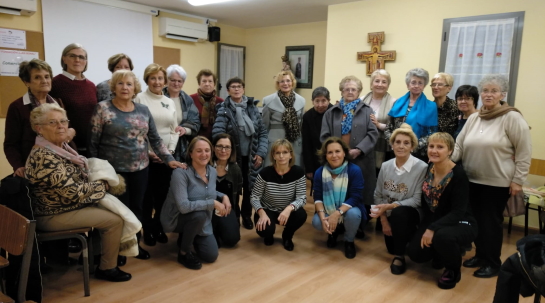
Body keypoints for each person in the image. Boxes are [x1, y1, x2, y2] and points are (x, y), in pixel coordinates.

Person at [25, 103, 131, 282]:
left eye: (63, 121)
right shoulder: (44, 156)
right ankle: (107, 268)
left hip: (63, 207)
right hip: (51, 215)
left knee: (108, 209)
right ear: (39, 128)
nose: (60, 126)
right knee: (114, 220)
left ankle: (97, 257)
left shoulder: (59, 149)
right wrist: (103, 186)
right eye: (52, 122)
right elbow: (73, 192)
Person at [89, 70, 185, 260]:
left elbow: (155, 140)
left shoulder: (143, 110)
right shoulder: (103, 108)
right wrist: (96, 173)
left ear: (135, 88)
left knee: (137, 209)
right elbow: (93, 143)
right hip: (114, 172)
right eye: (121, 84)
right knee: (118, 212)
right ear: (114, 87)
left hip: (140, 169)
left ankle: (134, 246)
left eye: (129, 84)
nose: (125, 87)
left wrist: (169, 159)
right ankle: (117, 250)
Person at [452, 74, 531, 278]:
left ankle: (493, 262)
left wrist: (518, 181)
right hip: (471, 179)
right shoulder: (475, 117)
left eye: (493, 91)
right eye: (485, 90)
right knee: (476, 221)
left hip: (497, 182)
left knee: (491, 224)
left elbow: (524, 151)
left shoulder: (512, 117)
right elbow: (459, 144)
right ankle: (480, 255)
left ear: (502, 94)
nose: (489, 94)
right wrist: (447, 165)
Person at [406, 132, 478, 289]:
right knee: (416, 254)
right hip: (437, 219)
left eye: (440, 147)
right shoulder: (429, 168)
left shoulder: (458, 174)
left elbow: (458, 212)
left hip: (461, 221)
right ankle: (440, 253)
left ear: (450, 151)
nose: (434, 150)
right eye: (431, 146)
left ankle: (453, 270)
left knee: (443, 237)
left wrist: (432, 228)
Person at [161, 136, 230, 270]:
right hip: (176, 218)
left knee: (211, 256)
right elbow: (183, 207)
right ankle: (184, 253)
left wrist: (224, 196)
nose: (204, 154)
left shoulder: (212, 171)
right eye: (199, 151)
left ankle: (188, 236)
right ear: (190, 153)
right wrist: (213, 203)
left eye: (207, 150)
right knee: (199, 216)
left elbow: (207, 193)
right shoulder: (180, 173)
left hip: (200, 218)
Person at [370, 123, 428, 274]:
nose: (401, 146)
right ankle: (402, 242)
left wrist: (389, 207)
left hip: (410, 214)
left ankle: (399, 256)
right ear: (392, 145)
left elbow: (416, 200)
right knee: (390, 246)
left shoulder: (421, 167)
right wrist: (383, 221)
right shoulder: (385, 165)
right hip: (388, 214)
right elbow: (378, 195)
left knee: (399, 213)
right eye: (397, 142)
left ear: (412, 147)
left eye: (406, 143)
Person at [212, 77, 268, 230]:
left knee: (250, 188)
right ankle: (234, 215)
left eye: (239, 86)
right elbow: (218, 133)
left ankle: (246, 215)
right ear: (228, 91)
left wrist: (261, 153)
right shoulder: (223, 109)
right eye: (233, 87)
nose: (236, 89)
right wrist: (227, 154)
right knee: (234, 187)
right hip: (232, 158)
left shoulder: (252, 108)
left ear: (243, 89)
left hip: (252, 157)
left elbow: (262, 132)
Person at [4, 59, 74, 178]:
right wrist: (18, 166)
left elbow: (64, 130)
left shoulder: (58, 103)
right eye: (37, 77)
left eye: (47, 76)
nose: (44, 81)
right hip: (35, 167)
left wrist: (72, 132)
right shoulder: (17, 107)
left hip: (62, 163)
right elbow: (11, 144)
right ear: (27, 82)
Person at [134, 63, 178, 247]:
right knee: (147, 196)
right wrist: (151, 153)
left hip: (166, 158)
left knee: (162, 195)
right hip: (146, 157)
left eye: (160, 78)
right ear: (147, 80)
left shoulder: (169, 102)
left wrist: (170, 152)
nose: (157, 82)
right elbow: (136, 130)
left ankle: (159, 226)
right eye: (153, 78)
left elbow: (174, 129)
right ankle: (148, 229)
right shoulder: (139, 99)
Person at [321, 75, 378, 211]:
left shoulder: (367, 110)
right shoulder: (331, 112)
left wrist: (358, 150)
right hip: (336, 160)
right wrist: (336, 153)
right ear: (342, 91)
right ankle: (336, 220)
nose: (350, 92)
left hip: (361, 159)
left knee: (360, 191)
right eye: (347, 89)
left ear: (359, 92)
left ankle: (359, 222)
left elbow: (372, 134)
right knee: (338, 190)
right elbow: (324, 136)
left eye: (354, 89)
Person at [312, 137, 364, 259]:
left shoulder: (354, 170)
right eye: (330, 152)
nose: (334, 155)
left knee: (353, 214)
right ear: (325, 155)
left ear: (344, 153)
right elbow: (317, 197)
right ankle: (332, 233)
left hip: (348, 209)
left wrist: (336, 214)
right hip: (327, 209)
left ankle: (349, 241)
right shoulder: (320, 172)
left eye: (337, 151)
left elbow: (355, 197)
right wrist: (322, 216)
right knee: (317, 222)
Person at [251, 139, 307, 251]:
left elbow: (302, 198)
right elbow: (254, 197)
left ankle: (287, 236)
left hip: (287, 211)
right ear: (273, 156)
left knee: (301, 214)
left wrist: (289, 208)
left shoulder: (298, 172)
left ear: (291, 155)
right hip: (268, 210)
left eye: (285, 152)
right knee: (264, 230)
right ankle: (269, 234)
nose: (281, 156)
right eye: (277, 153)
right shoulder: (265, 173)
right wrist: (261, 213)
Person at [49, 43, 97, 156]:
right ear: (64, 59)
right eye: (72, 56)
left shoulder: (91, 86)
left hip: (91, 146)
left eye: (81, 57)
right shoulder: (55, 84)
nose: (77, 60)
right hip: (67, 146)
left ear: (86, 61)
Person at [384, 68, 437, 162]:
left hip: (418, 154)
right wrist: (394, 144)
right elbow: (388, 128)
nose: (416, 85)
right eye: (413, 82)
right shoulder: (397, 102)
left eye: (420, 83)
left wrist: (412, 147)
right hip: (396, 152)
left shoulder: (431, 106)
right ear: (408, 85)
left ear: (424, 86)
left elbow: (432, 133)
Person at [262, 70, 305, 167]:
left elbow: (301, 124)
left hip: (295, 142)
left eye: (288, 81)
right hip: (275, 142)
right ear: (278, 84)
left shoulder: (301, 101)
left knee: (294, 169)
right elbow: (264, 126)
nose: (285, 84)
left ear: (292, 82)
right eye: (282, 81)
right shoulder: (268, 101)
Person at [163, 64, 201, 162]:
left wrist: (185, 129)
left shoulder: (188, 100)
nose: (176, 83)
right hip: (161, 144)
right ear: (167, 80)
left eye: (179, 81)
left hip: (182, 147)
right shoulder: (159, 97)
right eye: (173, 80)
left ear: (183, 82)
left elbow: (195, 122)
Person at [361, 69, 396, 172]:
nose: (380, 84)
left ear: (388, 85)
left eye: (384, 82)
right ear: (371, 84)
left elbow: (395, 128)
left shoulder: (394, 102)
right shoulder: (361, 100)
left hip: (383, 147)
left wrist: (378, 124)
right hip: (363, 145)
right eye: (377, 81)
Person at [211, 134, 242, 247]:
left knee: (232, 239)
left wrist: (236, 220)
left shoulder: (235, 169)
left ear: (231, 150)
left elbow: (236, 196)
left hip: (226, 209)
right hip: (207, 208)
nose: (223, 150)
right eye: (219, 146)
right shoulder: (206, 165)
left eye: (227, 147)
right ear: (213, 148)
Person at [302, 86, 333, 181]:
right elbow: (306, 144)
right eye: (317, 101)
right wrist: (309, 168)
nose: (320, 105)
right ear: (312, 101)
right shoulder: (307, 116)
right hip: (316, 159)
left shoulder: (335, 112)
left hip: (334, 156)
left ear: (329, 100)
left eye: (323, 101)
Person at [189, 69, 224, 140]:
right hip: (195, 140)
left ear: (214, 84)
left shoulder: (221, 102)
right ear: (199, 83)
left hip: (215, 140)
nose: (207, 84)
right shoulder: (190, 99)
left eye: (210, 81)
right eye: (204, 81)